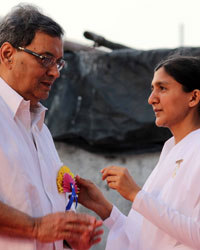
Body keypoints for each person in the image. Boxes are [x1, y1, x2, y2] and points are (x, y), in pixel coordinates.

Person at [0, 3, 103, 250]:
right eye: (45, 59)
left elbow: (45, 216)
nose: (55, 73)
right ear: (7, 54)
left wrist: (67, 239)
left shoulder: (40, 129)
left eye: (58, 62)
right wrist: (34, 227)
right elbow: (39, 225)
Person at [76, 55, 200, 250]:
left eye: (163, 88)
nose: (151, 99)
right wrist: (105, 209)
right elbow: (149, 237)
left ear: (193, 97)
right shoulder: (170, 149)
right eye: (152, 89)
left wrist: (136, 194)